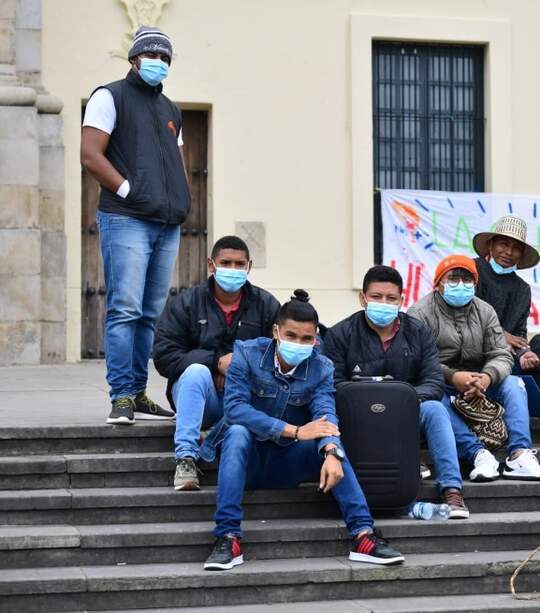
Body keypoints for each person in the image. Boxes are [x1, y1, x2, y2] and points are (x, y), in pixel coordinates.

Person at [200, 291, 404, 570]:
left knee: (332, 448)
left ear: (316, 338)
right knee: (237, 432)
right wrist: (294, 431)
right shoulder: (246, 354)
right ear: (276, 331)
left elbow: (325, 414)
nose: (298, 343)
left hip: (289, 463)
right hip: (248, 461)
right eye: (291, 335)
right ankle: (228, 537)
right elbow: (235, 408)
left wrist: (331, 450)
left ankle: (363, 536)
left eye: (307, 338)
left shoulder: (321, 367)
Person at [80, 26, 191, 425]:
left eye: (166, 58)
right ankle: (120, 396)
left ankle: (139, 392)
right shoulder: (108, 96)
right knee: (125, 309)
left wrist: (182, 200)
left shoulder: (171, 110)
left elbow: (178, 162)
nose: (158, 63)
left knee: (149, 313)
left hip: (167, 223)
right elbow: (91, 156)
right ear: (134, 59)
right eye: (151, 56)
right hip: (126, 219)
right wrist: (129, 191)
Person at [324, 265, 469, 518]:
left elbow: (434, 381)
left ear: (401, 300)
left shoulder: (419, 332)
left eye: (391, 298)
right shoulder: (340, 334)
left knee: (436, 409)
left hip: (409, 410)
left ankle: (452, 491)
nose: (384, 303)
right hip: (358, 415)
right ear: (363, 298)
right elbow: (332, 384)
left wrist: (401, 401)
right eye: (376, 297)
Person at [408, 255, 540, 482]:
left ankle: (519, 454)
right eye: (453, 279)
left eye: (467, 280)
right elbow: (418, 361)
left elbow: (501, 354)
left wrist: (486, 377)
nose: (461, 285)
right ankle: (478, 454)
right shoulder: (419, 313)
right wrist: (453, 376)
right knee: (433, 400)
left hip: (481, 383)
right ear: (437, 284)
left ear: (475, 285)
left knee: (515, 383)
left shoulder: (485, 311)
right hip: (442, 384)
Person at [152, 236, 279, 491]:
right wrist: (215, 363)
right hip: (203, 398)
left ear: (249, 266)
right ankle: (186, 458)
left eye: (239, 264)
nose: (233, 270)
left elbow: (279, 353)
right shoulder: (186, 303)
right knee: (197, 371)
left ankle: (218, 433)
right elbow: (164, 355)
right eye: (226, 263)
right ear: (211, 264)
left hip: (246, 398)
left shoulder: (266, 305)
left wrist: (237, 365)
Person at [472, 215, 540, 372]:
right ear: (491, 245)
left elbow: (519, 333)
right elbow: (464, 317)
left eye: (516, 248)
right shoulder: (471, 270)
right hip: (466, 354)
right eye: (503, 244)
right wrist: (500, 335)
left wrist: (525, 353)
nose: (509, 252)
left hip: (501, 359)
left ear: (521, 254)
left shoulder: (522, 289)